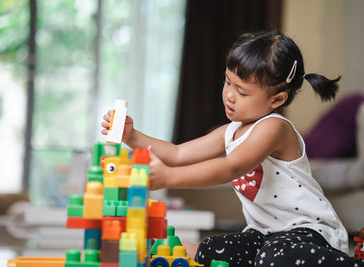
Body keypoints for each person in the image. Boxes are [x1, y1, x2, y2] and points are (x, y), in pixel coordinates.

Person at [102, 30, 364, 266]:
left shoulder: (275, 128)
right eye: (228, 82)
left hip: (308, 233)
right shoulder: (229, 131)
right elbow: (177, 153)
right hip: (264, 234)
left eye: (242, 91)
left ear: (278, 98)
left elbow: (232, 166)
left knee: (273, 257)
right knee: (211, 250)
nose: (229, 95)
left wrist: (170, 177)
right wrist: (133, 136)